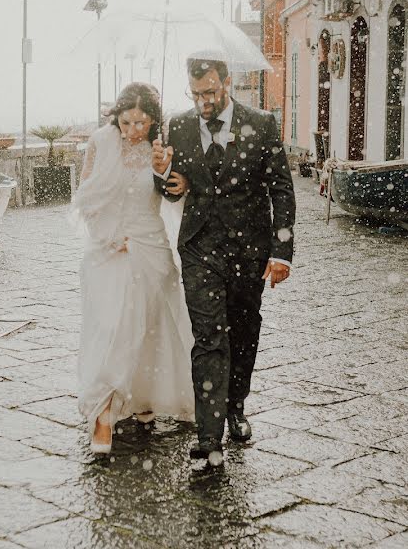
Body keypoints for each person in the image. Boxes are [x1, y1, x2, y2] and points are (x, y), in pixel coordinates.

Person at [152, 57, 296, 464]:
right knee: (209, 337)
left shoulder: (262, 123)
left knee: (244, 331)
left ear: (228, 83)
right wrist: (164, 177)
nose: (204, 102)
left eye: (211, 92)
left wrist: (281, 251)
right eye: (196, 94)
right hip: (200, 248)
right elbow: (173, 190)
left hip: (249, 250)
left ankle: (236, 407)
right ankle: (209, 434)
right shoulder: (177, 126)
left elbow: (281, 190)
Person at [74, 82, 195, 455]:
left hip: (151, 246)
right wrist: (110, 235)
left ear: (153, 121)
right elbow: (85, 199)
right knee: (112, 327)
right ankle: (103, 414)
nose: (132, 131)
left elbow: (176, 196)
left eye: (141, 123)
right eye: (126, 122)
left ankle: (142, 397)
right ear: (117, 117)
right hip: (109, 249)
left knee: (151, 326)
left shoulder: (162, 149)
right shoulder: (100, 142)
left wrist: (171, 173)